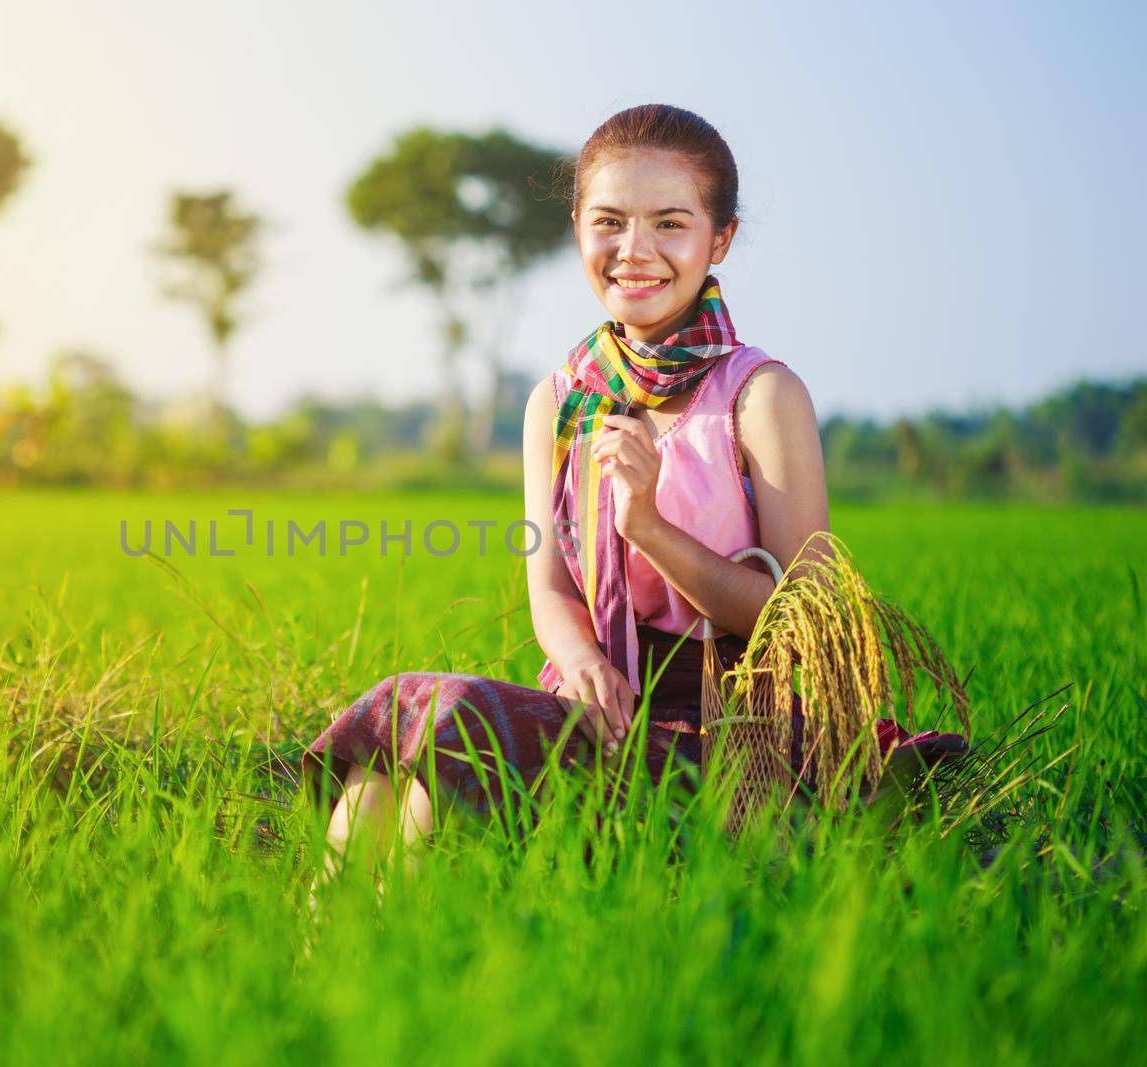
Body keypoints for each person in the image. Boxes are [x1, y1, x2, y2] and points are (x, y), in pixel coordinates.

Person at [302, 104, 833, 888]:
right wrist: (582, 661)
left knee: (450, 722)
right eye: (609, 222)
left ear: (719, 239)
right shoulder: (560, 400)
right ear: (578, 229)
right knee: (401, 753)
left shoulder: (758, 397)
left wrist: (648, 526)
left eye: (670, 224)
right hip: (594, 704)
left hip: (726, 729)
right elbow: (548, 583)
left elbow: (803, 615)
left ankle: (385, 959)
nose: (635, 251)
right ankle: (338, 961)